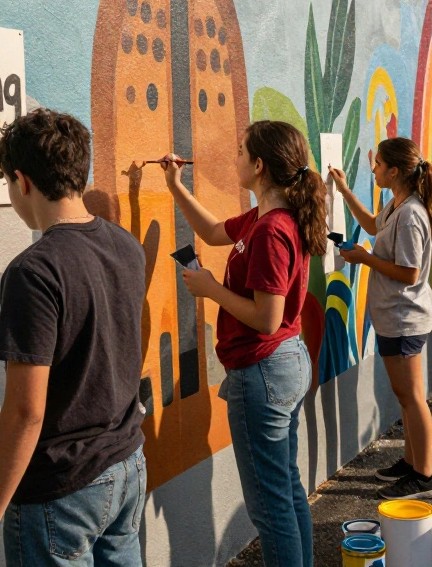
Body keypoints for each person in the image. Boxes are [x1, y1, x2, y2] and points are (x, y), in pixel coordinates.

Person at [0, 110, 147, 567]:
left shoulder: (33, 271)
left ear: (21, 181)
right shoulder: (126, 245)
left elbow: (26, 411)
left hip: (62, 491)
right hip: (126, 465)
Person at [161, 120, 319, 566]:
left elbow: (266, 319)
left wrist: (211, 288)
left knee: (271, 509)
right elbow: (213, 232)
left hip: (264, 367)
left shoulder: (272, 230)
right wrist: (176, 187)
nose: (234, 159)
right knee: (286, 491)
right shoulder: (266, 218)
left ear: (259, 165)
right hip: (283, 363)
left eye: (239, 151)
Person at [329, 138, 432, 500]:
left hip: (405, 317)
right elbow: (373, 226)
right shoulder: (397, 204)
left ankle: (425, 478)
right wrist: (345, 190)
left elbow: (408, 273)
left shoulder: (410, 214)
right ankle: (412, 464)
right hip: (397, 315)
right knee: (406, 395)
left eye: (377, 164)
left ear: (394, 170)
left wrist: (364, 259)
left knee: (411, 397)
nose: (373, 168)